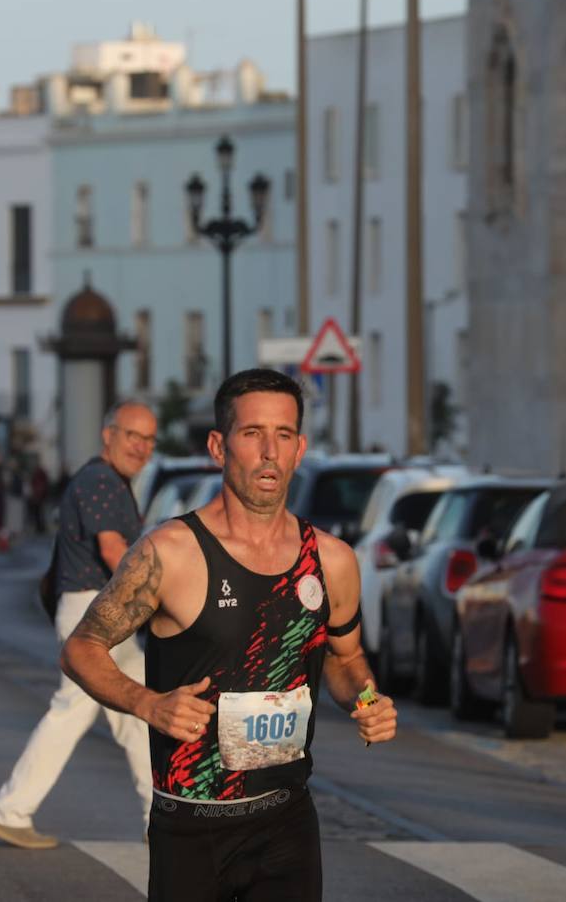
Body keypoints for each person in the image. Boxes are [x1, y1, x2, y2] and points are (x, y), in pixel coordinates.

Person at [62, 370, 397, 901]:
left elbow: (344, 657)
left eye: (283, 435)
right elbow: (81, 647)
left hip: (287, 820)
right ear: (219, 446)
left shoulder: (331, 561)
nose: (269, 452)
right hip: (194, 826)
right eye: (252, 434)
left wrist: (367, 697)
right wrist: (147, 704)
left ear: (299, 448)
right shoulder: (169, 552)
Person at [0, 401, 159, 850]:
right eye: (131, 436)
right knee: (90, 712)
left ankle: (159, 820)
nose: (140, 447)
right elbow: (114, 551)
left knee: (134, 717)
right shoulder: (102, 481)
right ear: (108, 435)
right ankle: (10, 810)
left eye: (148, 439)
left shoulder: (107, 480)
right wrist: (163, 600)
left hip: (98, 612)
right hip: (95, 615)